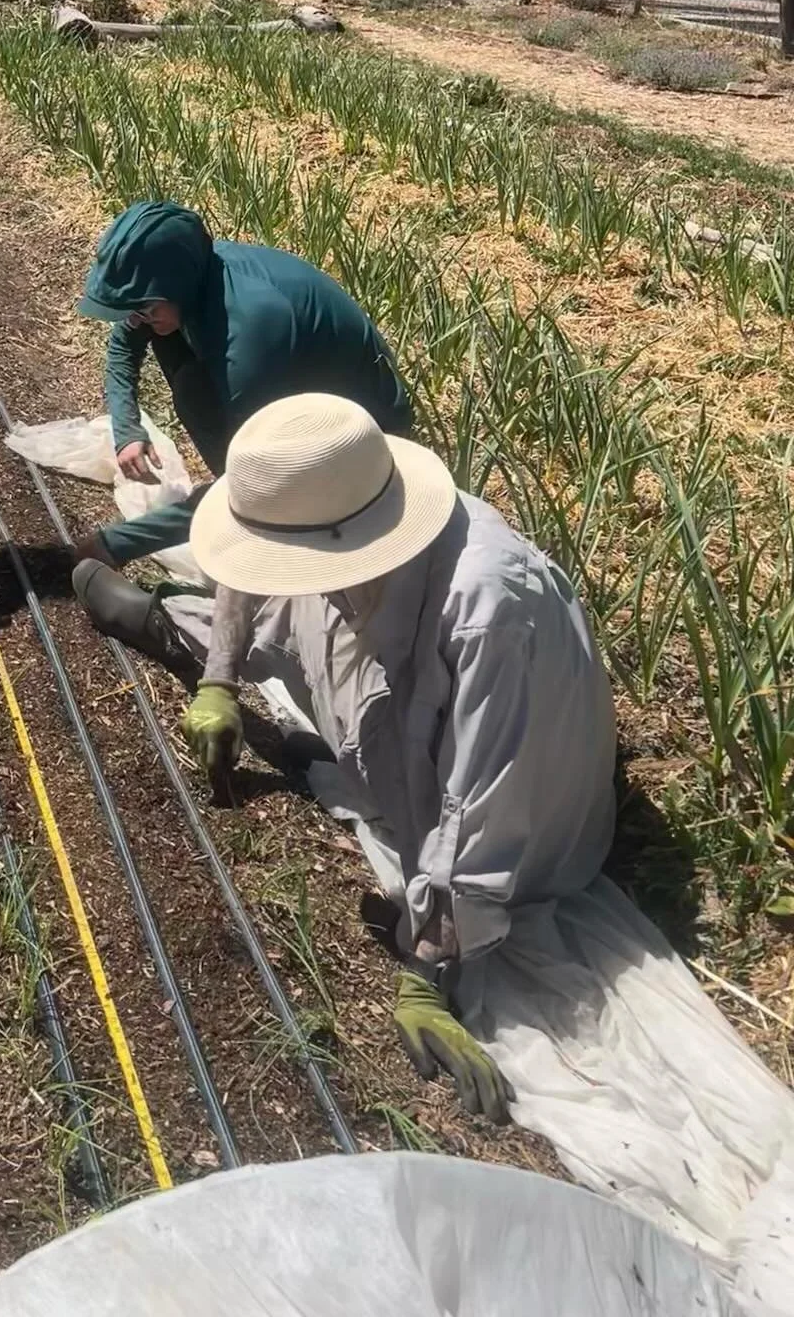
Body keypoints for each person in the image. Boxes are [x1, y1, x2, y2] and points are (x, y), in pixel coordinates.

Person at [75, 393, 617, 1123]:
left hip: (529, 802)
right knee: (293, 615)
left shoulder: (487, 614)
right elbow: (258, 551)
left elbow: (488, 795)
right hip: (431, 706)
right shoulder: (349, 502)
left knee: (400, 777)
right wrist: (220, 680)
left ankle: (217, 662)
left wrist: (431, 967)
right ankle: (182, 630)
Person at [73, 201, 410, 569]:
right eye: (134, 311)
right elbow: (125, 343)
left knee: (265, 491)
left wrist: (117, 544)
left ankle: (280, 530)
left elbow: (261, 476)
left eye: (146, 309)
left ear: (175, 285)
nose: (139, 319)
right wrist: (126, 429)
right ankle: (252, 511)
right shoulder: (187, 281)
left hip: (362, 436)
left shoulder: (250, 331)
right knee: (186, 377)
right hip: (287, 390)